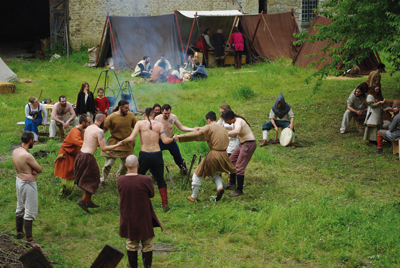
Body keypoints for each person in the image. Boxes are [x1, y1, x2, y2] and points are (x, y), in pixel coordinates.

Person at [120, 108, 176, 212]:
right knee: (160, 179)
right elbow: (165, 140)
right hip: (157, 154)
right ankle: (165, 204)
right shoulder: (159, 125)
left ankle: (135, 202)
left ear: (145, 114)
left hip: (144, 155)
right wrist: (174, 138)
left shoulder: (140, 123)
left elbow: (131, 138)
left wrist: (122, 141)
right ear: (154, 114)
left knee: (137, 177)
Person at [177, 111, 237, 202]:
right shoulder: (223, 129)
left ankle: (193, 196)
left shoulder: (208, 127)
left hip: (214, 154)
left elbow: (197, 135)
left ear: (208, 120)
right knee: (215, 173)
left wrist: (180, 137)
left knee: (197, 174)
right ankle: (220, 188)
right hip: (224, 154)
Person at [118, 155, 162, 268]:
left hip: (128, 216)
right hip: (144, 216)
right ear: (138, 165)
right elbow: (151, 194)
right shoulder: (145, 179)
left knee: (131, 244)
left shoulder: (120, 180)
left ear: (126, 166)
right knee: (147, 244)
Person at [74, 113, 121, 213]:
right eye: (106, 121)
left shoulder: (89, 127)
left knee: (91, 177)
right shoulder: (100, 131)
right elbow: (103, 149)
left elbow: (92, 141)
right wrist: (117, 145)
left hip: (81, 154)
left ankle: (89, 201)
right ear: (102, 120)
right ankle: (83, 201)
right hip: (87, 157)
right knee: (95, 180)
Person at [12, 131, 43, 248]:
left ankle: (19, 232)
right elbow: (39, 169)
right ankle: (29, 240)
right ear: (30, 140)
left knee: (20, 207)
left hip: (19, 181)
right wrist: (33, 169)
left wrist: (29, 168)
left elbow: (21, 166)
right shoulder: (27, 155)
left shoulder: (16, 151)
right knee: (30, 211)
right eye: (33, 141)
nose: (33, 142)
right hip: (27, 184)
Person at [100, 100, 138, 186]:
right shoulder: (111, 117)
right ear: (120, 107)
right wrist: (98, 139)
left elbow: (137, 125)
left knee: (126, 164)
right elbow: (103, 130)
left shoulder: (131, 115)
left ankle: (120, 178)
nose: (127, 110)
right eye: (126, 108)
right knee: (108, 164)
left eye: (128, 108)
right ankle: (102, 180)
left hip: (127, 143)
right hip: (115, 143)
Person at [221, 110, 256, 197]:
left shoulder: (238, 121)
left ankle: (239, 190)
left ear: (230, 118)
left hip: (248, 144)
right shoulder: (235, 122)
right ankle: (232, 183)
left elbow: (236, 131)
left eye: (226, 120)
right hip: (242, 144)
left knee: (239, 167)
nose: (225, 122)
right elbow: (234, 135)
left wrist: (225, 133)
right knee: (231, 161)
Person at [54, 115, 91, 198]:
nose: (90, 123)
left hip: (74, 154)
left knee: (76, 171)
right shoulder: (75, 131)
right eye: (89, 122)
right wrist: (90, 146)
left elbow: (86, 139)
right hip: (66, 154)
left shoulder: (82, 130)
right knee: (67, 173)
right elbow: (79, 142)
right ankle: (63, 194)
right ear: (83, 122)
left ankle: (75, 183)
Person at [154, 104, 194, 174]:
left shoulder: (173, 117)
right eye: (165, 113)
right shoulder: (157, 119)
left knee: (177, 156)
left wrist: (193, 129)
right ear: (161, 111)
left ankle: (183, 168)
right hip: (160, 141)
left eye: (168, 113)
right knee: (155, 157)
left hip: (171, 140)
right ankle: (154, 173)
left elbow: (181, 127)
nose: (167, 115)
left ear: (170, 112)